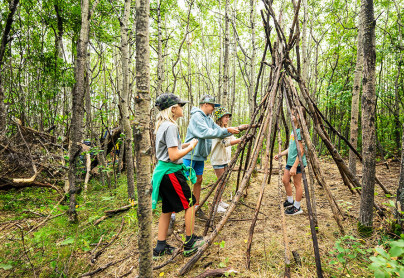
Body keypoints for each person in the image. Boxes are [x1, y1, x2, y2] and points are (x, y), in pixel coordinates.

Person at [151, 93, 204, 258]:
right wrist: (192, 146)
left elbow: (173, 147)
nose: (182, 108)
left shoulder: (163, 125)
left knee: (167, 209)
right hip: (171, 172)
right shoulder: (171, 126)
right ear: (173, 109)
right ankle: (189, 243)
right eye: (180, 106)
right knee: (189, 205)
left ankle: (160, 246)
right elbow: (174, 156)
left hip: (163, 173)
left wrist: (187, 143)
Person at [183, 95, 240, 219]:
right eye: (212, 106)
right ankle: (173, 214)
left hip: (200, 156)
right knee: (183, 182)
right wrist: (226, 131)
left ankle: (196, 207)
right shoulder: (197, 117)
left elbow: (217, 129)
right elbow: (205, 133)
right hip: (190, 154)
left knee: (198, 181)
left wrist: (230, 130)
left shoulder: (208, 118)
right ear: (205, 105)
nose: (213, 109)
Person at [211, 107, 248, 213]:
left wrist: (241, 139)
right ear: (220, 118)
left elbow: (232, 139)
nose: (227, 119)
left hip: (224, 159)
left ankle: (220, 201)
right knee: (220, 182)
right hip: (218, 159)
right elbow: (225, 143)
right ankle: (216, 205)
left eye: (228, 117)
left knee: (223, 182)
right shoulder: (217, 130)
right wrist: (240, 140)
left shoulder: (227, 130)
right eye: (225, 117)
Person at [274, 108, 307, 215]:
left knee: (297, 184)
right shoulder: (294, 130)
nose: (291, 117)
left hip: (297, 163)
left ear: (299, 117)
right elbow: (291, 147)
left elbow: (301, 150)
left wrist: (294, 166)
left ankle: (297, 207)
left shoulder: (300, 132)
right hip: (290, 161)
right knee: (285, 180)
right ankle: (290, 201)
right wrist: (280, 154)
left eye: (293, 115)